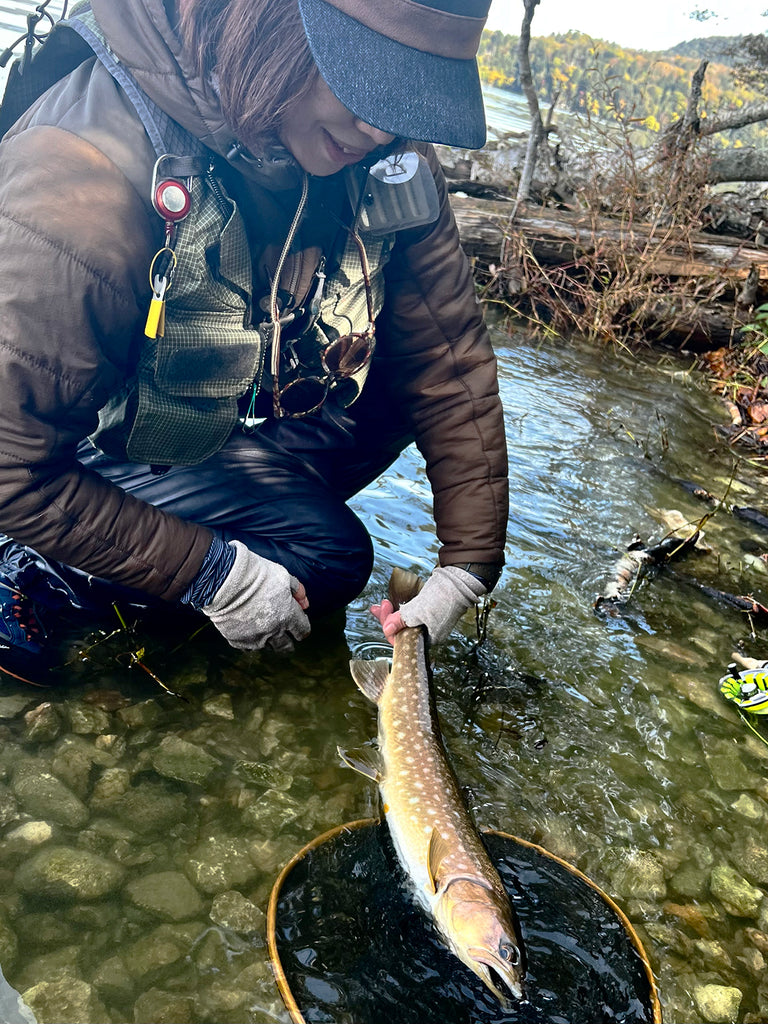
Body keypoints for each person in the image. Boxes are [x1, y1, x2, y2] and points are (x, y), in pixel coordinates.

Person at [0, 0, 509, 686]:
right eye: (361, 80)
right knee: (327, 558)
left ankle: (206, 516)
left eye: (405, 91)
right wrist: (213, 574)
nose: (380, 125)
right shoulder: (79, 178)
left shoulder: (385, 151)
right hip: (56, 442)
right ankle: (38, 564)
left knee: (342, 501)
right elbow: (9, 463)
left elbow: (449, 361)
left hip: (207, 405)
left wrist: (467, 565)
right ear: (270, 27)